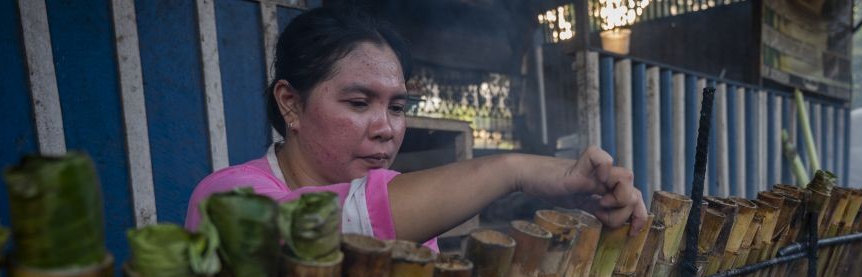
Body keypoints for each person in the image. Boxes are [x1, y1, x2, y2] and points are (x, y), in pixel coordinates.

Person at [184, 7, 647, 247]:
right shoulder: (227, 200)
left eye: (398, 107)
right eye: (360, 102)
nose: (386, 129)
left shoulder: (408, 215)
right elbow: (342, 223)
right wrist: (514, 170)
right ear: (291, 102)